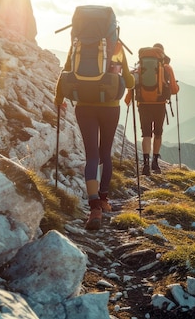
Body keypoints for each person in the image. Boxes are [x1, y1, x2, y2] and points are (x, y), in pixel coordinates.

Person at [54, 42, 135, 230]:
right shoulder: (115, 47)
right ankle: (104, 198)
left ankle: (94, 207)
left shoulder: (77, 45)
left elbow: (65, 73)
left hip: (84, 107)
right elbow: (129, 82)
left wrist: (59, 100)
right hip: (110, 108)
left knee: (92, 156)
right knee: (105, 153)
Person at [127, 43, 179, 175]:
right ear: (162, 54)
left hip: (143, 104)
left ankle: (145, 165)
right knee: (158, 133)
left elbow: (131, 87)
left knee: (146, 134)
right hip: (159, 104)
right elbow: (174, 90)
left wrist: (128, 100)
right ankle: (155, 163)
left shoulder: (139, 68)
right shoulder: (167, 68)